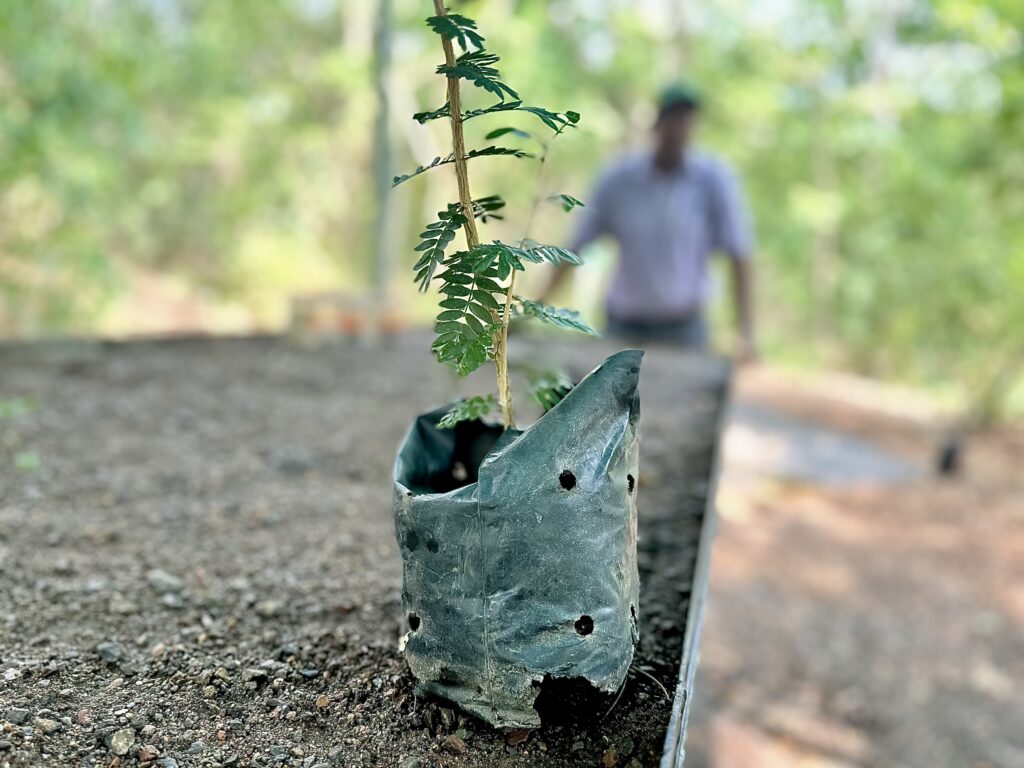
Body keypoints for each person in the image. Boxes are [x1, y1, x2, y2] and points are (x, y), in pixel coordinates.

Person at [541, 83, 758, 361]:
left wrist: (745, 331)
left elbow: (739, 252)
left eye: (686, 119)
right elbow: (575, 247)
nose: (679, 127)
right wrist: (537, 306)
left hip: (686, 331)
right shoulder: (618, 180)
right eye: (672, 117)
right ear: (657, 122)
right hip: (623, 328)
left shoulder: (714, 180)